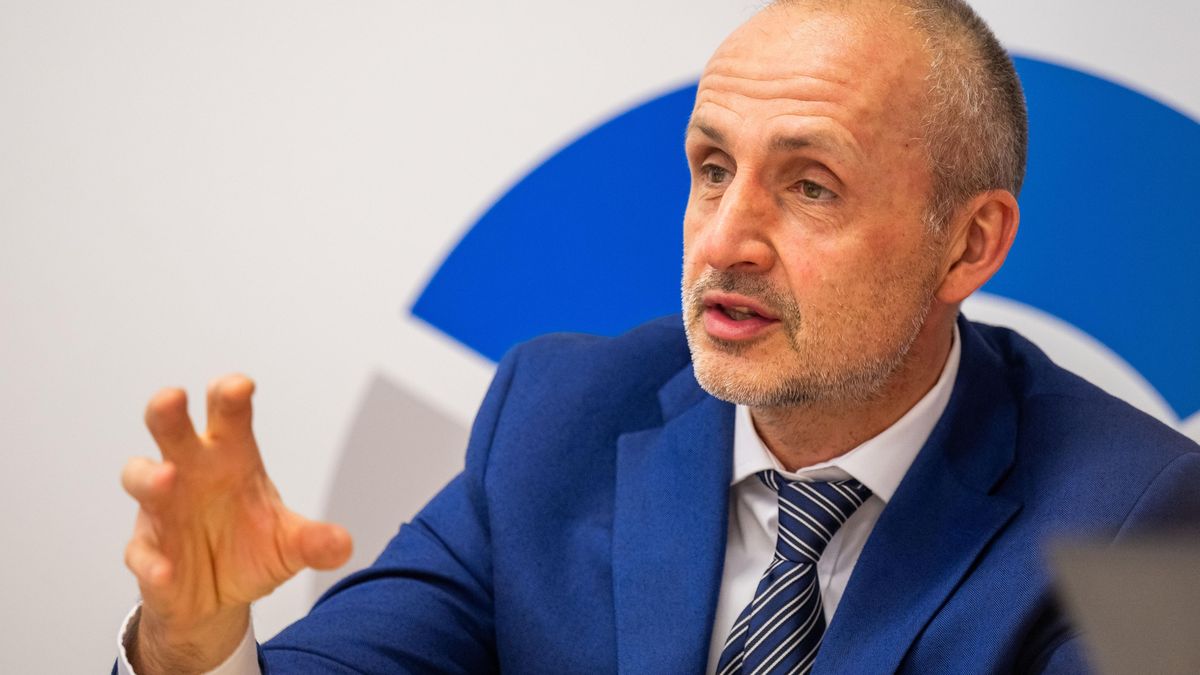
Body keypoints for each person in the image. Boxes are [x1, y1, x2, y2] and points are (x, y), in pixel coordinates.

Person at [116, 0, 1200, 673]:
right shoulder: (558, 416)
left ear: (968, 245)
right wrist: (194, 644)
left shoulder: (1141, 514)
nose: (723, 240)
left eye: (810, 186)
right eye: (712, 168)